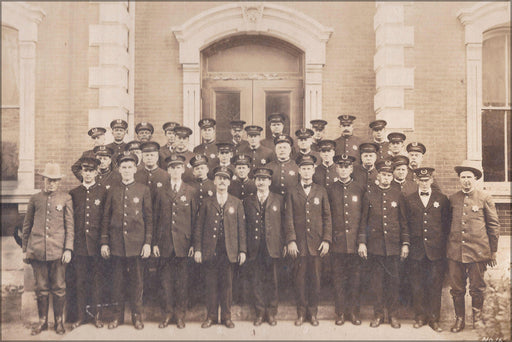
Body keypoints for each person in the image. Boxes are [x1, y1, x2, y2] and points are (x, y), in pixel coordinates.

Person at [100, 153, 153, 330]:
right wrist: (105, 242)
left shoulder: (143, 189)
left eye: (130, 167)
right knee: (117, 282)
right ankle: (117, 317)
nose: (127, 170)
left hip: (137, 244)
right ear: (119, 169)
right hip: (116, 244)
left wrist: (147, 243)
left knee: (137, 283)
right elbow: (106, 218)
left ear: (135, 169)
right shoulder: (112, 190)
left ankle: (137, 317)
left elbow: (149, 219)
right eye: (124, 167)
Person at [447, 160, 500, 333]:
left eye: (469, 177)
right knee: (457, 289)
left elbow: (493, 226)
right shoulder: (453, 199)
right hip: (456, 252)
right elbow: (447, 225)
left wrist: (493, 251)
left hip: (478, 252)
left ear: (476, 179)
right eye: (463, 177)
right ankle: (459, 320)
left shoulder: (485, 198)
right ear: (459, 179)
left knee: (477, 288)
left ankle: (477, 320)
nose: (466, 181)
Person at [22, 163, 74, 335]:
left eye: (55, 181)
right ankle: (42, 321)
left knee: (59, 287)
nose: (51, 183)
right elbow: (27, 225)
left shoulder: (65, 198)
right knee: (41, 287)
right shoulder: (35, 199)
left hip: (58, 252)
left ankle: (58, 322)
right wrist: (25, 249)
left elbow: (70, 227)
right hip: (37, 251)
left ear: (59, 182)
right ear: (43, 180)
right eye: (48, 180)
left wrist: (68, 249)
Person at [357, 159, 409, 329]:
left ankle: (393, 315)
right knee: (377, 283)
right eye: (383, 175)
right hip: (375, 246)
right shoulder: (369, 194)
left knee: (393, 282)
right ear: (377, 176)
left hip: (393, 246)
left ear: (392, 176)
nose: (386, 178)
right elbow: (363, 220)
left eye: (388, 175)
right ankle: (378, 314)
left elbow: (403, 221)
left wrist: (405, 243)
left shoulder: (398, 194)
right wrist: (362, 243)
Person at [194, 166, 247, 329]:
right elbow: (199, 227)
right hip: (211, 250)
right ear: (214, 181)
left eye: (225, 178)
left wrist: (242, 250)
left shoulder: (236, 203)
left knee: (227, 285)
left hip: (228, 251)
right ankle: (210, 316)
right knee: (211, 284)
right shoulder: (207, 202)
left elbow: (241, 229)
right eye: (219, 178)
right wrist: (198, 249)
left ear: (229, 182)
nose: (222, 181)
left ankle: (226, 316)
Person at [284, 154, 332, 327]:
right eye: (303, 168)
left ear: (313, 170)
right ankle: (301, 312)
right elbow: (288, 217)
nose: (306, 171)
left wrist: (326, 240)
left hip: (317, 245)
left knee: (316, 280)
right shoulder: (291, 191)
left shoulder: (321, 191)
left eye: (309, 168)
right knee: (299, 280)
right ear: (299, 170)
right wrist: (291, 240)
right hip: (299, 245)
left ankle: (313, 313)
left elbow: (327, 217)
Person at [153, 154, 198, 329]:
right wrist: (155, 243)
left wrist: (194, 244)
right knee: (165, 282)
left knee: (182, 282)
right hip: (164, 244)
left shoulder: (190, 191)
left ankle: (180, 315)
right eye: (172, 167)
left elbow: (195, 220)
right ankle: (167, 314)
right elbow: (156, 218)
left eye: (178, 167)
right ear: (168, 170)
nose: (175, 170)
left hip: (183, 244)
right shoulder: (160, 191)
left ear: (183, 169)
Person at [403, 167, 450, 332]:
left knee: (435, 285)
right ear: (416, 181)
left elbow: (446, 225)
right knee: (417, 284)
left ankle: (434, 319)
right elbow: (405, 225)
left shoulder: (442, 199)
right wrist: (407, 245)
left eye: (427, 180)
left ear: (431, 180)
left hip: (436, 251)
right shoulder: (409, 200)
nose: (424, 183)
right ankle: (419, 317)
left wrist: (444, 249)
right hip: (416, 251)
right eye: (421, 180)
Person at [243, 167, 285, 326]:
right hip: (254, 246)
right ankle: (260, 312)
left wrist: (285, 243)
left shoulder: (279, 199)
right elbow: (244, 224)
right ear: (255, 181)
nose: (261, 182)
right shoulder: (248, 201)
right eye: (258, 179)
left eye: (264, 179)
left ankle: (272, 312)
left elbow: (284, 223)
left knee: (272, 279)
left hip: (272, 245)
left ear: (269, 181)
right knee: (257, 279)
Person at [327, 154, 365, 326]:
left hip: (356, 244)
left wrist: (362, 241)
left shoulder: (359, 188)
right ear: (336, 169)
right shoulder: (330, 189)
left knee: (356, 280)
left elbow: (364, 218)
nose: (343, 169)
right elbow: (327, 216)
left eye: (346, 166)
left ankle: (354, 312)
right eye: (340, 166)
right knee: (338, 280)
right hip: (337, 243)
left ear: (351, 169)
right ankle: (341, 312)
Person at [69, 157, 107, 329]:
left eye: (91, 171)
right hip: (79, 246)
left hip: (97, 245)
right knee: (80, 281)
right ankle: (80, 316)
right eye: (85, 171)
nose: (88, 174)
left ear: (96, 172)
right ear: (81, 172)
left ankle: (97, 317)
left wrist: (104, 242)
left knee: (98, 282)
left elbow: (105, 219)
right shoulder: (74, 193)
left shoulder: (103, 192)